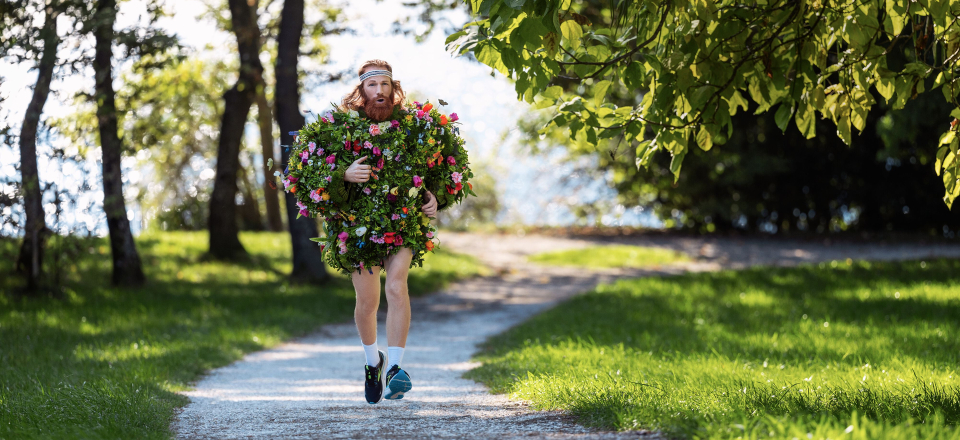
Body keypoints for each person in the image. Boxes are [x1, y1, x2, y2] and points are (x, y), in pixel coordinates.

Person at [339, 60, 439, 404]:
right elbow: (310, 176)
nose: (379, 91)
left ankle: (396, 368)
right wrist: (344, 175)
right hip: (355, 228)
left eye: (384, 84)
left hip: (402, 224)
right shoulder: (338, 128)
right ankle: (373, 363)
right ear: (361, 91)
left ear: (393, 89)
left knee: (397, 287)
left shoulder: (414, 126)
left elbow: (435, 169)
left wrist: (434, 196)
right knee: (368, 302)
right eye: (372, 85)